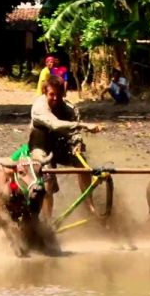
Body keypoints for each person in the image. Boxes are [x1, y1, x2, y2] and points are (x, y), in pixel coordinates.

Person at [29, 75, 102, 217]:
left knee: (83, 166)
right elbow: (54, 124)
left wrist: (77, 145)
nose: (55, 98)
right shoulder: (39, 107)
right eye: (51, 95)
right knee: (47, 178)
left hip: (60, 144)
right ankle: (47, 221)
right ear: (45, 93)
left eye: (58, 95)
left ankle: (90, 208)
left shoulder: (70, 109)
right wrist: (84, 125)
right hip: (40, 145)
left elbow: (75, 133)